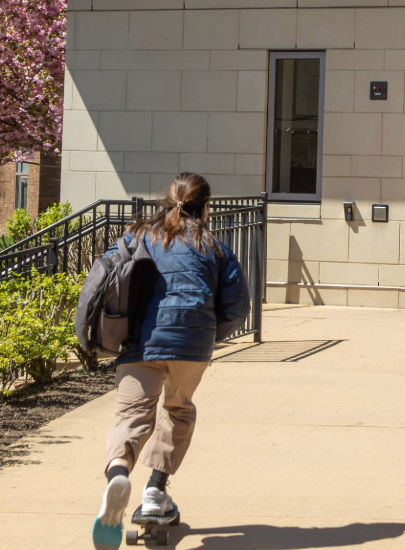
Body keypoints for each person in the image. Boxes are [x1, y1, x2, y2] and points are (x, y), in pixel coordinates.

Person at [92, 173, 248, 550]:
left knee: (131, 417)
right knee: (178, 410)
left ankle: (118, 474)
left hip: (139, 341)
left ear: (168, 199)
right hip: (191, 342)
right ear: (205, 206)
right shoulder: (214, 246)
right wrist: (209, 335)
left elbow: (107, 277)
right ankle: (154, 492)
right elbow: (237, 305)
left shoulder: (138, 235)